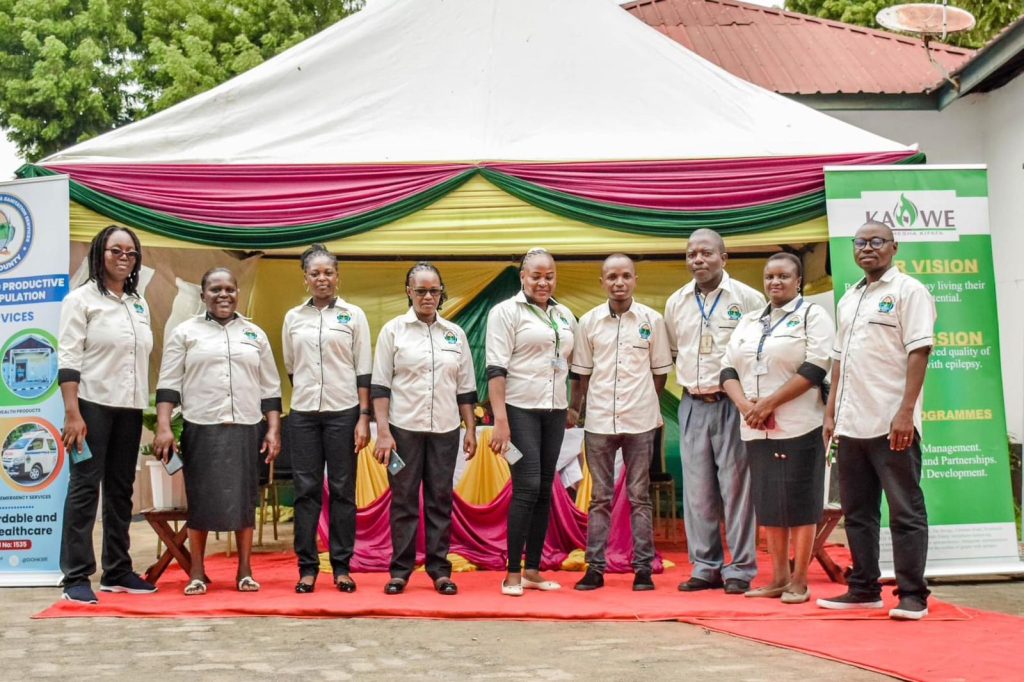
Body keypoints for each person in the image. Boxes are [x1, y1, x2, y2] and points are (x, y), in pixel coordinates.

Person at [818, 221, 935, 621]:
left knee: (905, 510)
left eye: (876, 241)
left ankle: (913, 595)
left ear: (894, 247)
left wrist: (906, 412)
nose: (867, 248)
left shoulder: (909, 292)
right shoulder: (849, 298)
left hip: (891, 423)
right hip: (851, 424)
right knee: (858, 512)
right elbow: (838, 360)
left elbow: (919, 353)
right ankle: (864, 587)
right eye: (860, 242)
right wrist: (831, 412)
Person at [153, 267, 282, 596]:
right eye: (215, 289)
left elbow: (270, 387)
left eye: (229, 289)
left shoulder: (255, 334)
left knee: (244, 502)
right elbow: (168, 385)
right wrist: (164, 427)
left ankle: (245, 571)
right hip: (202, 428)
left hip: (245, 429)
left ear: (237, 293)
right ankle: (197, 572)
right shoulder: (185, 333)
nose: (223, 295)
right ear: (203, 295)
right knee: (201, 500)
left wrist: (273, 430)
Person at [720, 253, 834, 604]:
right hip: (756, 427)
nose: (775, 282)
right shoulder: (750, 320)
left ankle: (800, 579)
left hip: (800, 424)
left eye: (783, 276)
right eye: (769, 276)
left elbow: (817, 366)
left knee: (801, 502)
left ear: (798, 281)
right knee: (769, 504)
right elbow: (727, 368)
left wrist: (769, 404)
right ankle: (778, 578)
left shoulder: (813, 316)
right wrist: (745, 406)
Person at [57, 226, 157, 603]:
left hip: (129, 407)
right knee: (84, 488)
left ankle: (117, 570)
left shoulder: (137, 303)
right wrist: (72, 413)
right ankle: (76, 577)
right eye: (116, 250)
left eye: (130, 252)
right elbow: (68, 359)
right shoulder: (81, 300)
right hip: (91, 406)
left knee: (121, 490)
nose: (123, 257)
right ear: (100, 253)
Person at [664, 228, 765, 595]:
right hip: (692, 403)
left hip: (732, 406)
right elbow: (675, 350)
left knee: (737, 489)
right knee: (698, 492)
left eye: (706, 253)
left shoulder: (750, 300)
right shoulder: (676, 302)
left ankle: (740, 567)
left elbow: (758, 352)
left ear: (725, 257)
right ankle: (705, 565)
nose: (698, 260)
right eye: (691, 254)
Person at [371, 262, 477, 596]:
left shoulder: (454, 334)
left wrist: (471, 429)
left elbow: (466, 388)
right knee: (403, 501)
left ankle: (439, 570)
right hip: (403, 431)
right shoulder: (393, 331)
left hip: (445, 429)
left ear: (441, 292)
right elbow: (380, 386)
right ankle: (401, 571)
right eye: (421, 291)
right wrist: (384, 432)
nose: (428, 297)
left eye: (434, 291)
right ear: (409, 292)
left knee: (439, 500)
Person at [570, 254, 673, 592]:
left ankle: (643, 569)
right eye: (612, 276)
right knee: (600, 497)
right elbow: (581, 374)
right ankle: (594, 569)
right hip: (599, 420)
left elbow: (660, 372)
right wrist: (576, 410)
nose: (619, 282)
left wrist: (645, 403)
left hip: (640, 421)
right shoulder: (588, 322)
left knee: (639, 496)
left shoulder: (652, 320)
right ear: (602, 281)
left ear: (635, 280)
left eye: (625, 276)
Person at [487, 247, 577, 596]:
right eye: (536, 275)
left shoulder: (564, 314)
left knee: (543, 489)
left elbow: (571, 363)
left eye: (549, 275)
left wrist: (571, 407)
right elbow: (495, 369)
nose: (543, 281)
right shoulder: (505, 312)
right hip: (519, 409)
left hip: (553, 411)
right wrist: (500, 420)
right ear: (522, 276)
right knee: (525, 488)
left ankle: (533, 571)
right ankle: (511, 573)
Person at [282, 244, 372, 594]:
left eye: (328, 272)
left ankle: (341, 567)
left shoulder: (354, 315)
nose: (322, 278)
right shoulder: (293, 318)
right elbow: (292, 367)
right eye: (315, 273)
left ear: (338, 276)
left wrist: (363, 417)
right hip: (304, 414)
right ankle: (307, 568)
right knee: (305, 492)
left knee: (342, 491)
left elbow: (362, 369)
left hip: (344, 412)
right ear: (305, 279)